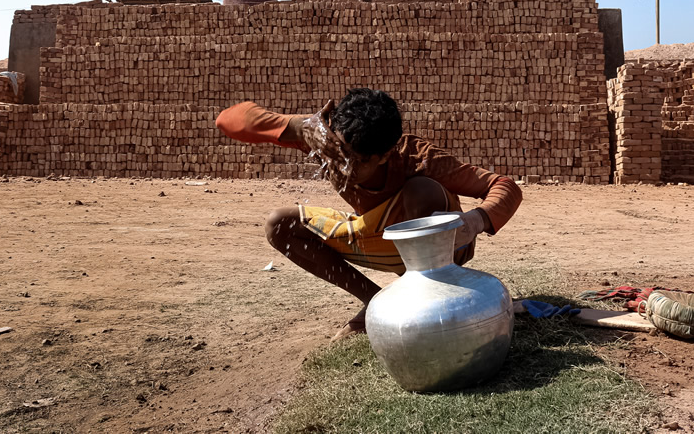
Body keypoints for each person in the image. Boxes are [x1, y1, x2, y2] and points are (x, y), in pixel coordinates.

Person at [215, 88, 523, 340]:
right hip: (376, 237)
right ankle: (376, 304)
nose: (343, 166)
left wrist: (476, 220)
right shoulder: (326, 140)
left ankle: (427, 300)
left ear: (386, 155)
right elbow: (228, 120)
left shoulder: (418, 158)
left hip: (441, 249)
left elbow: (504, 186)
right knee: (279, 224)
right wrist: (302, 126)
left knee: (422, 191)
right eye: (340, 154)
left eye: (358, 161)